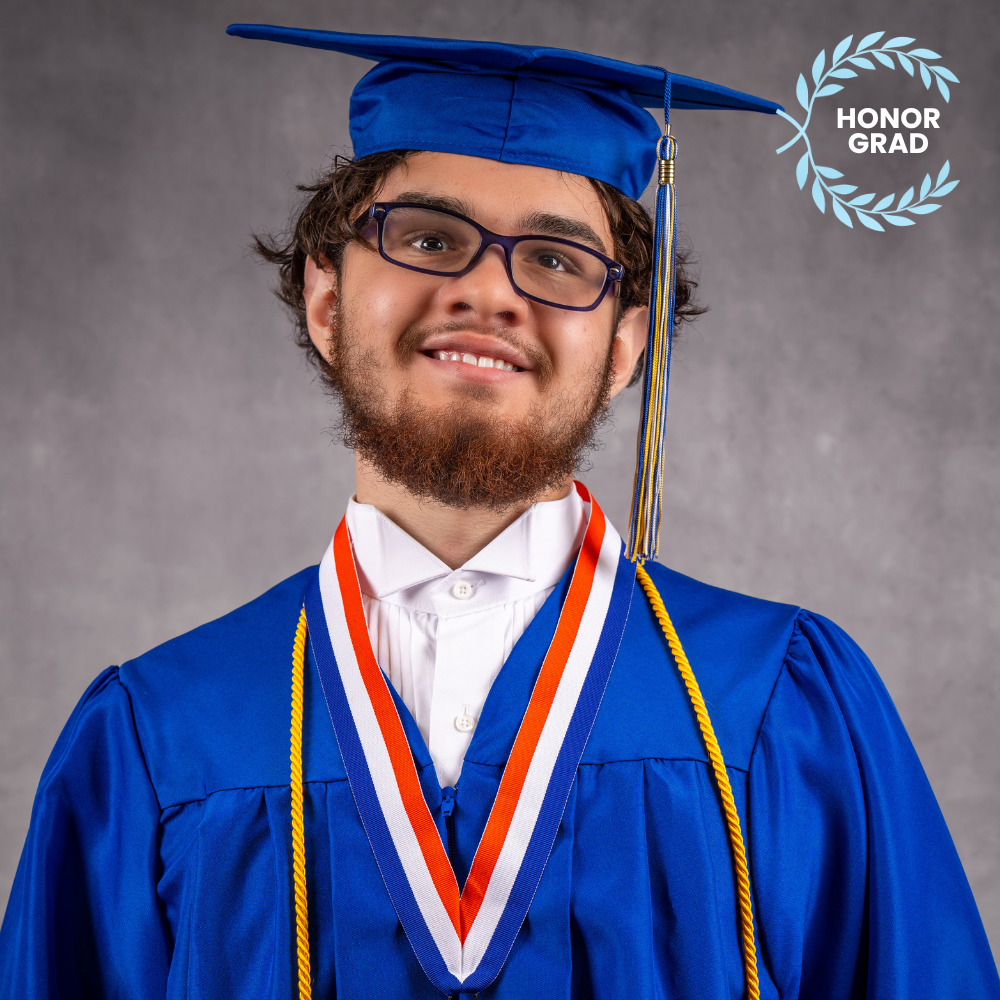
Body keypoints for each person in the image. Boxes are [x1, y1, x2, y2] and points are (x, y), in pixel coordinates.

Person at [1, 24, 997, 1000]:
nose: (487, 291)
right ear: (326, 299)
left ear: (622, 346)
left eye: (557, 260)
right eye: (428, 239)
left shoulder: (783, 709)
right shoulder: (152, 740)